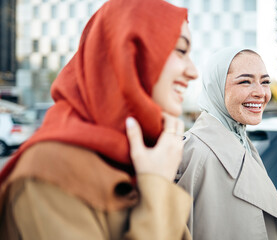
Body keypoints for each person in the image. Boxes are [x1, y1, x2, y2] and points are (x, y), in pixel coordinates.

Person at [0, 0, 198, 239]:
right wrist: (157, 186)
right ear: (129, 53)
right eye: (180, 50)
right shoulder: (51, 168)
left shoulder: (149, 153)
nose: (193, 71)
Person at [176, 48, 277, 240]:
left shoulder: (242, 141)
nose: (260, 92)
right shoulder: (191, 152)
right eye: (245, 81)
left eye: (265, 82)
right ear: (216, 87)